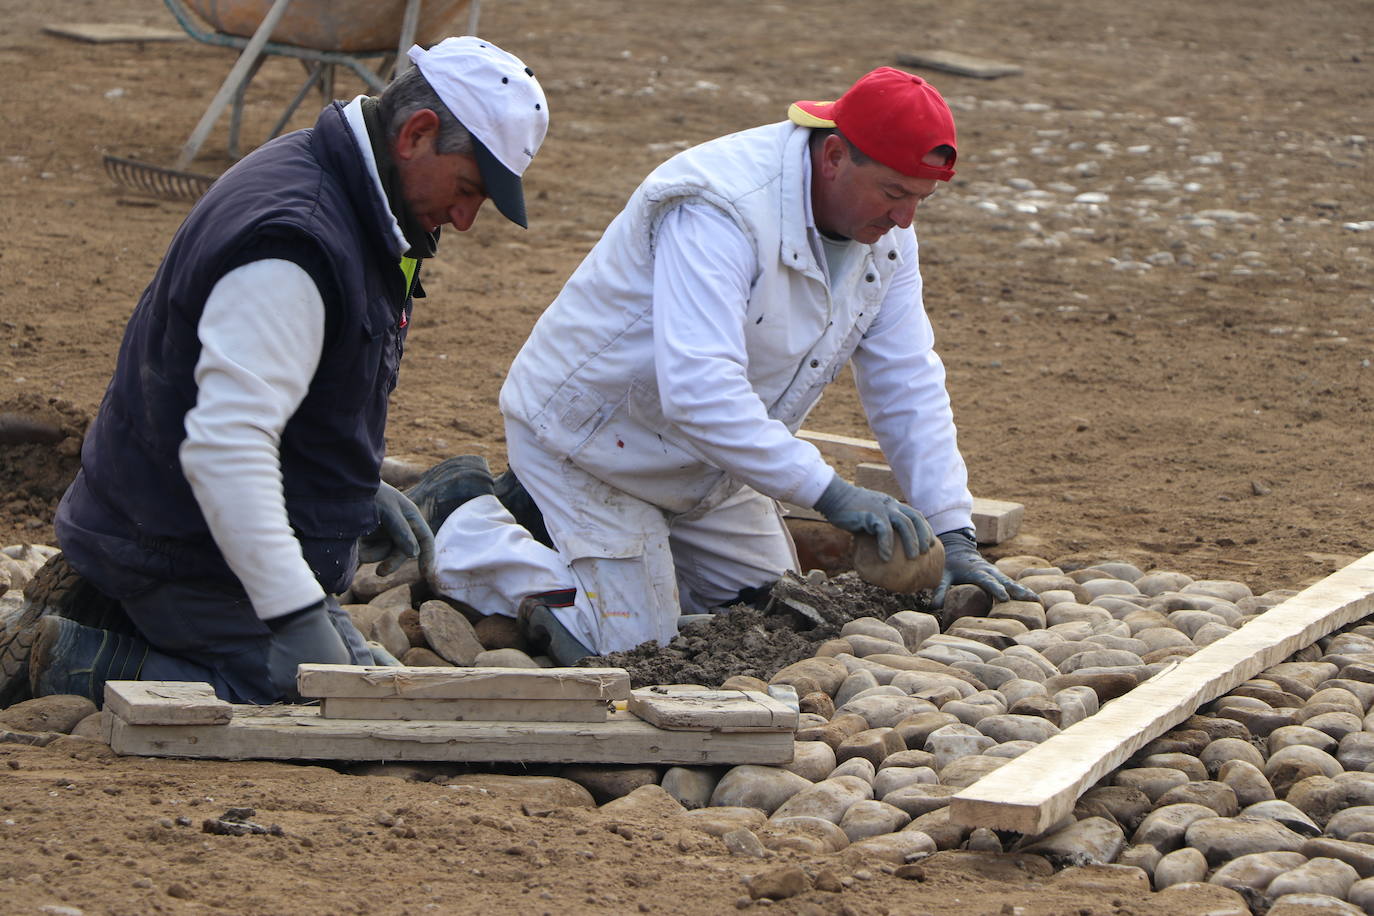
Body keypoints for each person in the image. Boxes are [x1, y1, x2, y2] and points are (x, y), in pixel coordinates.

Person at [419, 65, 1038, 665]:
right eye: (894, 193)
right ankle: (463, 524)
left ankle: (570, 534)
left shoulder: (887, 238)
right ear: (834, 157)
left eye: (920, 200)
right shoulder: (719, 204)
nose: (904, 219)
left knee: (777, 620)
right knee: (633, 651)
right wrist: (831, 494)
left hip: (714, 463)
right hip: (592, 441)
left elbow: (907, 379)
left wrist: (951, 527)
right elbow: (699, 389)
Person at [9, 37, 550, 705]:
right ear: (417, 132)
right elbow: (225, 448)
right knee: (324, 705)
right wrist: (294, 617)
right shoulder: (299, 241)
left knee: (366, 679)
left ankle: (126, 612)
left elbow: (295, 393)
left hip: (198, 539)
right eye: (468, 189)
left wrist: (347, 491)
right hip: (183, 555)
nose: (466, 220)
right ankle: (81, 660)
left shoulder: (359, 204)